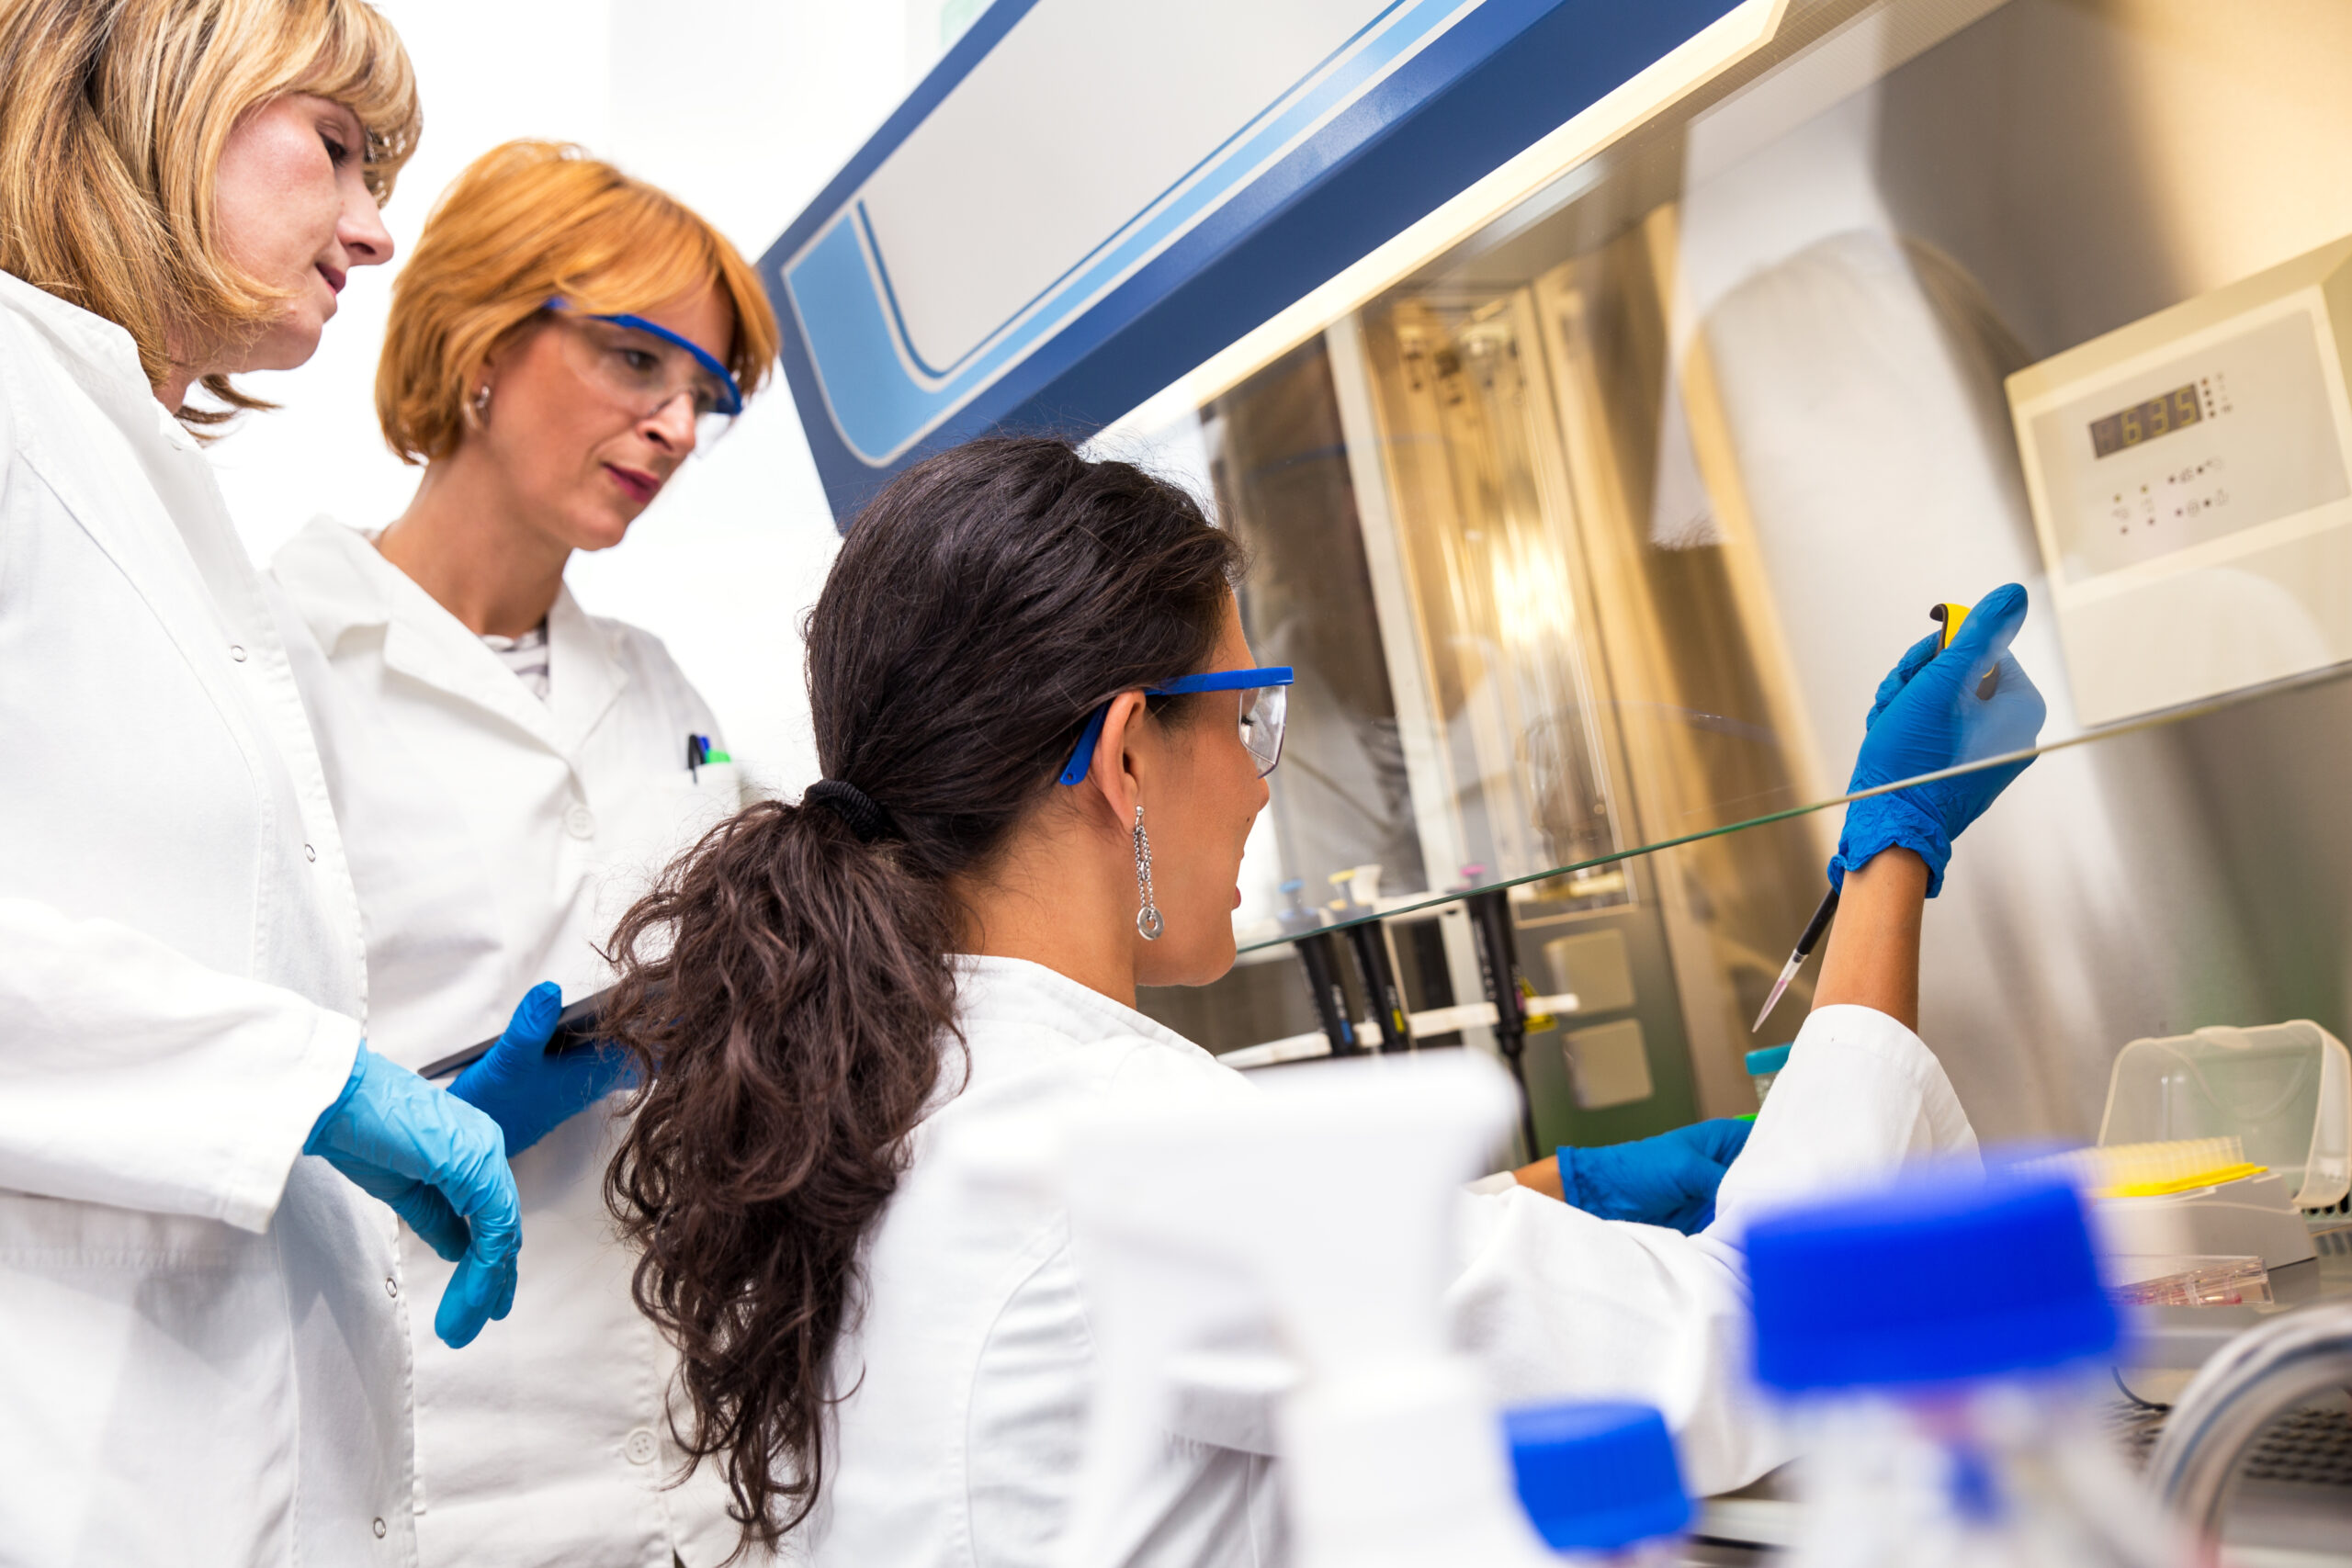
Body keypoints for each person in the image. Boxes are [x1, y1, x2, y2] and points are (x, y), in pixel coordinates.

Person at [597, 437, 2038, 1564]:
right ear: (1125, 759)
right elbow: (1736, 1344)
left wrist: (1539, 1194)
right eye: (1248, 714)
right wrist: (1894, 844)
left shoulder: (884, 1094)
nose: (1264, 774)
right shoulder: (1126, 1151)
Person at [0, 3, 523, 1564]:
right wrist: (295, 1082)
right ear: (164, 96)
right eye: (341, 149)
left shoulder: (133, 466)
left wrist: (320, 1088)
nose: (374, 230)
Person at [269, 140, 781, 1567]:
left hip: (703, 1452)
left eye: (707, 396)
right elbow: (205, 1063)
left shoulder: (662, 686)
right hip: (446, 1460)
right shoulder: (280, 658)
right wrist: (401, 1110)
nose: (676, 425)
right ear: (484, 339)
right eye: (637, 361)